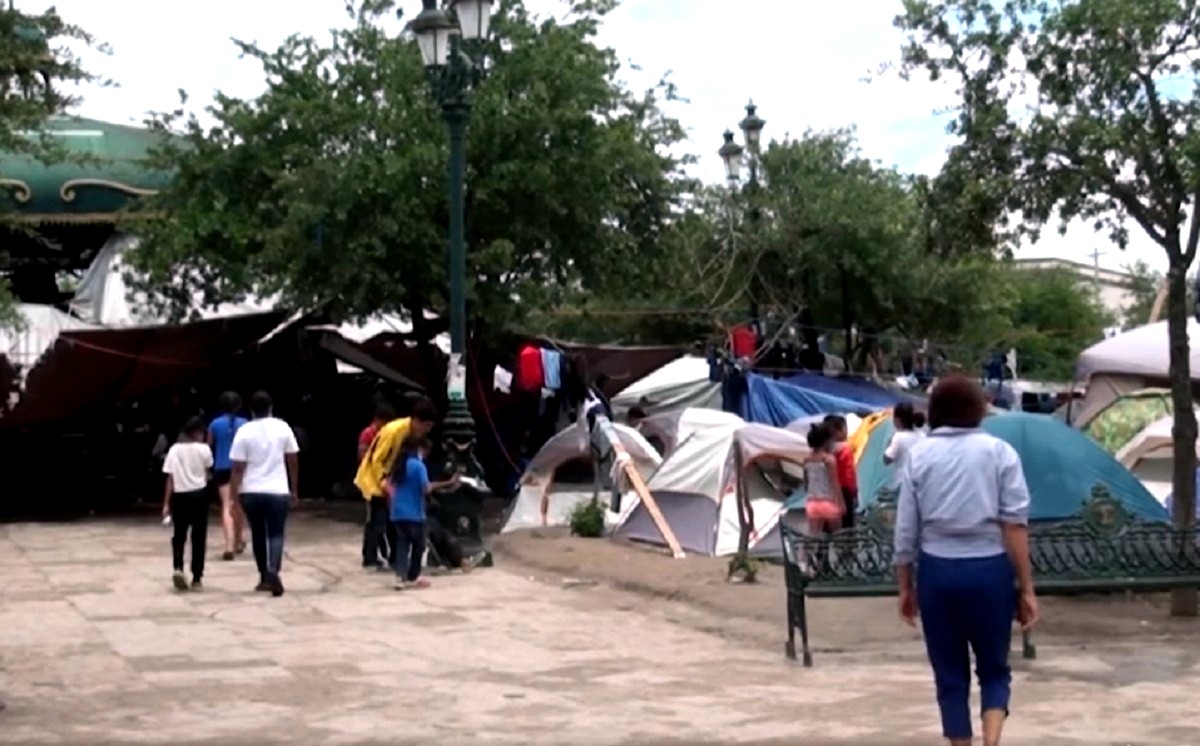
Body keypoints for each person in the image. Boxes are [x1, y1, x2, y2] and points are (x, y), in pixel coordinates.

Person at [893, 374, 1039, 746]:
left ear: (936, 411)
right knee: (994, 670)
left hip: (937, 572)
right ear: (979, 409)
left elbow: (905, 530)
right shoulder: (999, 452)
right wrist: (1026, 589)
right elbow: (1015, 526)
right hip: (989, 570)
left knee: (949, 674)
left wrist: (904, 586)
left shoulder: (919, 456)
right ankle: (992, 741)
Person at [229, 391, 300, 597]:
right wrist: (294, 489)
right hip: (278, 489)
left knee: (258, 533)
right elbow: (293, 460)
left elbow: (238, 467)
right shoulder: (282, 427)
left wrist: (234, 496)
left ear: (251, 409)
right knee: (276, 533)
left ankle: (263, 577)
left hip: (251, 490)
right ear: (271, 407)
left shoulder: (244, 431)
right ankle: (273, 571)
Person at [355, 397, 437, 570]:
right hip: (374, 479)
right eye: (426, 426)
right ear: (416, 420)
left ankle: (395, 559)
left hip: (392, 479)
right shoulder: (394, 431)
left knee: (395, 522)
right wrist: (384, 482)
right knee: (377, 522)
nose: (426, 431)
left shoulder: (410, 433)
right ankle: (370, 558)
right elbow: (377, 460)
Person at [388, 435, 460, 590]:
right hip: (414, 513)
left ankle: (400, 577)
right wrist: (448, 483)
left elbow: (391, 485)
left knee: (402, 545)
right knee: (418, 545)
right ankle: (414, 576)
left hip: (397, 512)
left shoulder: (399, 465)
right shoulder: (418, 466)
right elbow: (426, 488)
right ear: (419, 449)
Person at [162, 417, 214, 591]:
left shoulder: (174, 450)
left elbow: (170, 478)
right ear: (198, 433)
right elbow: (207, 473)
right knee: (199, 537)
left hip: (180, 495)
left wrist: (166, 504)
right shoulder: (204, 449)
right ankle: (197, 576)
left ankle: (178, 567)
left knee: (179, 535)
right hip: (199, 494)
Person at [208, 391, 248, 561]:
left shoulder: (214, 424)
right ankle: (239, 540)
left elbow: (208, 446)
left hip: (222, 467)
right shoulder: (245, 424)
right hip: (240, 467)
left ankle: (229, 544)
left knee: (226, 505)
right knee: (238, 505)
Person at [802, 424, 844, 537]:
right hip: (828, 501)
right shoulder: (829, 460)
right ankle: (842, 554)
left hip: (812, 502)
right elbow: (834, 483)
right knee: (838, 537)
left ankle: (805, 555)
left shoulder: (807, 460)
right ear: (826, 441)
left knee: (813, 536)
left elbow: (806, 484)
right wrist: (841, 503)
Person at [823, 414, 859, 528]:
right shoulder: (845, 448)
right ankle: (847, 544)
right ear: (839, 431)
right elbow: (848, 473)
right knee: (847, 522)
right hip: (844, 490)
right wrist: (854, 490)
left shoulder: (825, 449)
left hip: (827, 489)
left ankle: (824, 542)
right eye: (845, 429)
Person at [883, 402, 925, 469]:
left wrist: (889, 443)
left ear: (897, 420)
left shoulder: (898, 437)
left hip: (903, 477)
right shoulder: (922, 435)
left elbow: (886, 460)